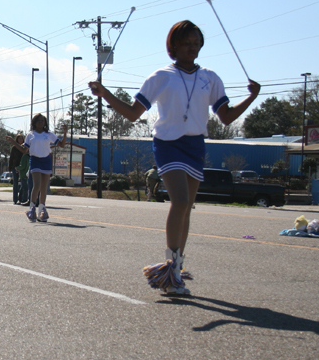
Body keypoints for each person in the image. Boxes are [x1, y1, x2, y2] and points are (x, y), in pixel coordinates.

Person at [88, 19, 260, 296]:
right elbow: (133, 114)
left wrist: (251, 98)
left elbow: (225, 117)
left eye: (196, 43)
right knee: (179, 200)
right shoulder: (161, 76)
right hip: (167, 143)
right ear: (174, 46)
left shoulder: (210, 77)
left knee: (187, 206)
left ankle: (176, 268)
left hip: (195, 144)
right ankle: (170, 266)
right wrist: (105, 92)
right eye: (186, 43)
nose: (192, 48)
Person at [6, 114, 68, 223]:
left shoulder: (49, 134)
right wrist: (13, 141)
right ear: (34, 123)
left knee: (44, 187)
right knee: (37, 185)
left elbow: (61, 145)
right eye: (38, 121)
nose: (41, 123)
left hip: (46, 160)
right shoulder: (31, 135)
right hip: (35, 160)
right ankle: (32, 208)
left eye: (42, 121)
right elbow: (24, 150)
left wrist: (65, 132)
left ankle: (42, 210)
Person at [8, 134, 24, 205]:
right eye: (19, 139)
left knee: (23, 184)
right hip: (15, 167)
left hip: (23, 167)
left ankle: (21, 198)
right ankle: (15, 199)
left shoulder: (24, 147)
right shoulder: (14, 148)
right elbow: (11, 158)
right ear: (16, 140)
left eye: (21, 139)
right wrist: (10, 167)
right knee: (15, 183)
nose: (20, 140)